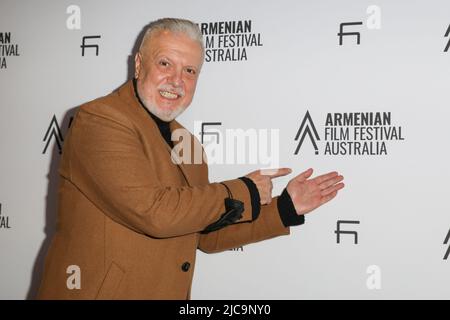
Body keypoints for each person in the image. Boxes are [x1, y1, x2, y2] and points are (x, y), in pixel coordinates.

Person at [37, 18, 344, 299]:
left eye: (189, 71)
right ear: (139, 65)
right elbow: (153, 212)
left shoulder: (187, 142)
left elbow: (204, 234)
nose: (176, 80)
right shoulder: (100, 119)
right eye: (165, 63)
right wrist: (245, 190)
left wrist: (285, 208)